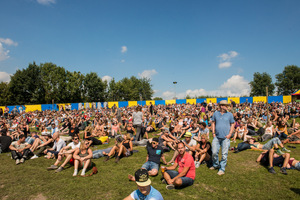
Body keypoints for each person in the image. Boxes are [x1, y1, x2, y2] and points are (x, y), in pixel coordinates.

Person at [210, 100, 235, 175]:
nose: (227, 107)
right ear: (221, 106)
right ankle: (216, 165)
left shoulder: (230, 114)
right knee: (214, 152)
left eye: (227, 106)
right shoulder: (215, 114)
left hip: (226, 137)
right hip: (216, 137)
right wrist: (213, 133)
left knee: (224, 154)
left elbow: (232, 124)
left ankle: (222, 168)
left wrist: (230, 134)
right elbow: (213, 123)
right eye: (225, 105)